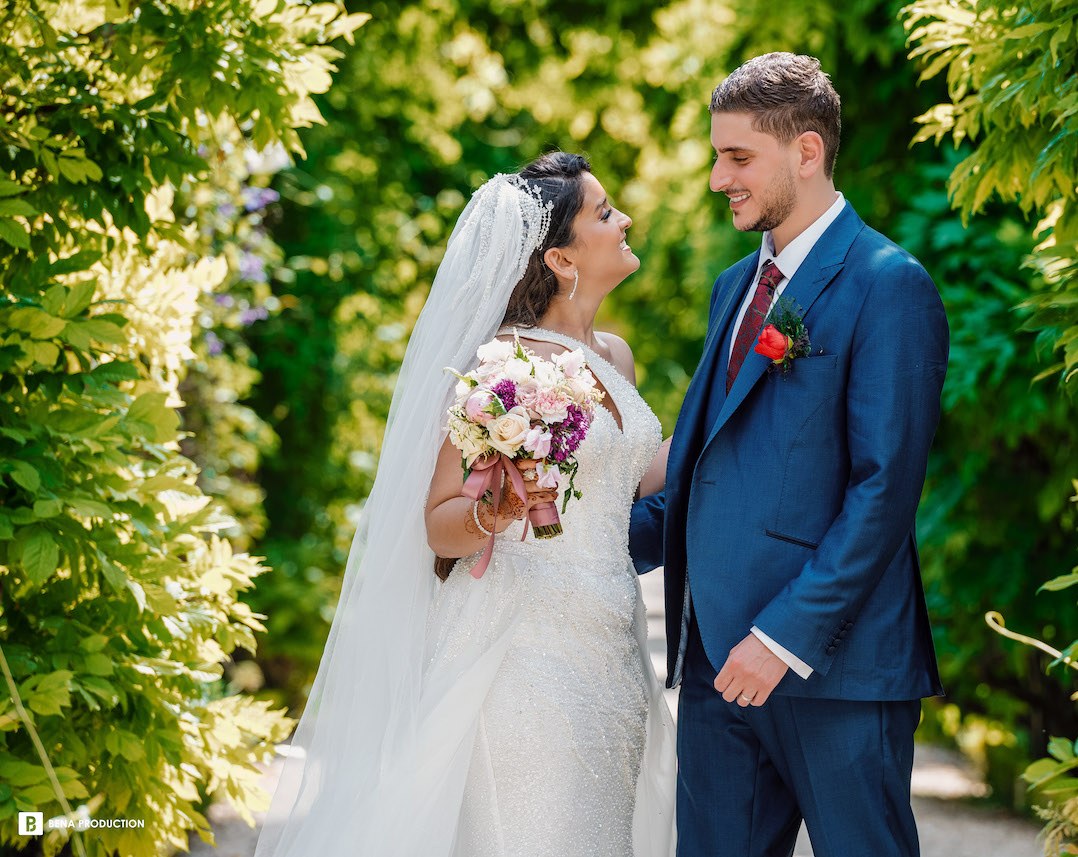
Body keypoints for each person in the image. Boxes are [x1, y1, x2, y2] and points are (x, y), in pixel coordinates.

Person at [254, 153, 675, 857]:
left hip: (610, 643)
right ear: (561, 259)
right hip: (521, 650)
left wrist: (743, 379)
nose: (624, 218)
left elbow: (635, 475)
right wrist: (497, 510)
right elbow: (439, 523)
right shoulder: (500, 367)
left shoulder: (617, 357)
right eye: (604, 213)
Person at [630, 53, 949, 856]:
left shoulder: (888, 284)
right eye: (716, 155)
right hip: (715, 670)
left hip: (836, 670)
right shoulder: (734, 287)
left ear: (806, 152)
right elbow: (707, 468)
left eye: (737, 157)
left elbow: (884, 491)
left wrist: (782, 639)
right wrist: (570, 533)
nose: (715, 178)